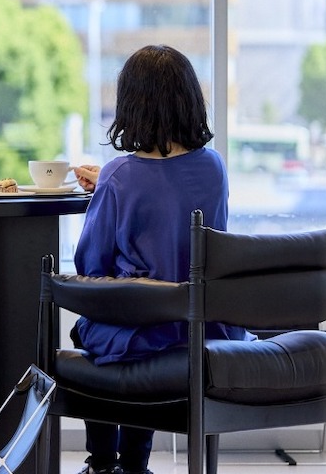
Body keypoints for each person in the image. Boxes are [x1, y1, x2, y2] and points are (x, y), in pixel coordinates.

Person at [69, 45, 255, 474]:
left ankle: (100, 465)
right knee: (150, 324)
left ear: (131, 104)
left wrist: (108, 191)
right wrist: (115, 186)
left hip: (144, 331)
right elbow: (186, 213)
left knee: (98, 330)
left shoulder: (118, 177)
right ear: (190, 99)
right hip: (207, 327)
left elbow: (90, 268)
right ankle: (135, 464)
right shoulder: (214, 167)